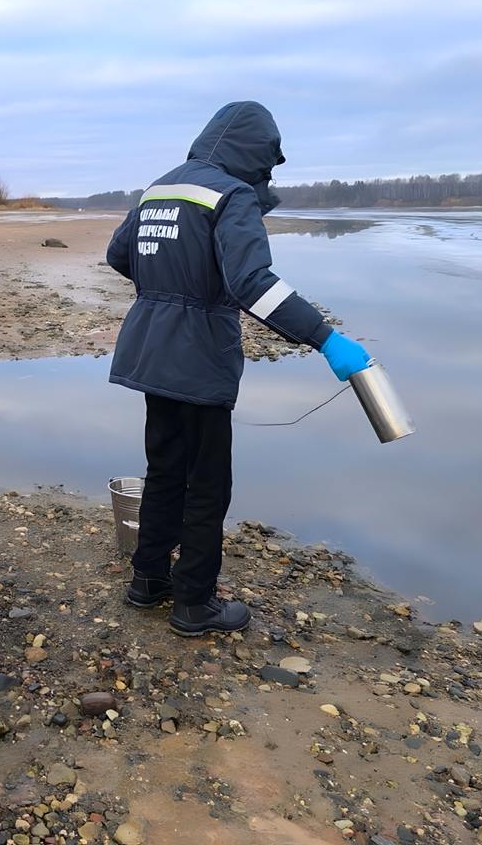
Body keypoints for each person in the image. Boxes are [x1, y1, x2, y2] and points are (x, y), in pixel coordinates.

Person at [105, 100, 371, 636]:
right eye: (267, 162)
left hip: (150, 351)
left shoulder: (160, 187)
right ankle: (194, 604)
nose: (267, 174)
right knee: (207, 484)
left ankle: (148, 580)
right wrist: (325, 337)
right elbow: (253, 284)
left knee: (164, 470)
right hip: (200, 357)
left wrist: (166, 288)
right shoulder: (233, 195)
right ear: (253, 153)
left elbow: (119, 254)